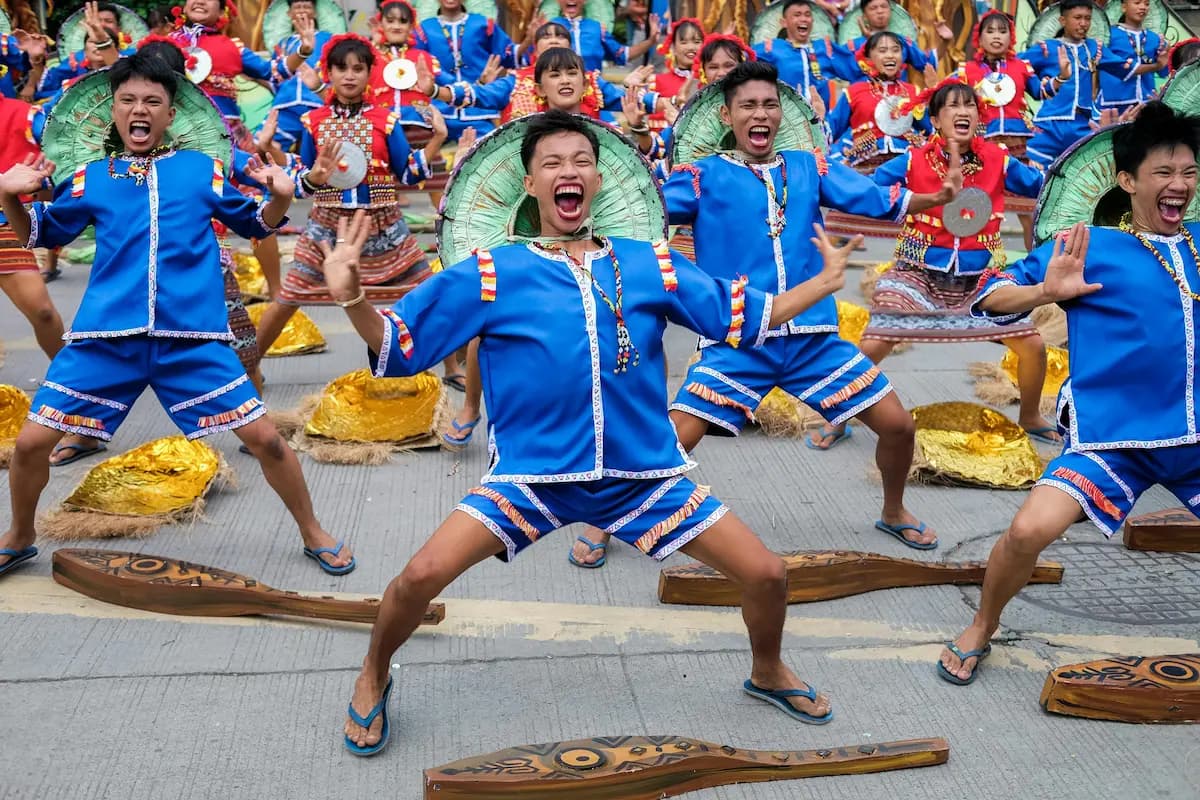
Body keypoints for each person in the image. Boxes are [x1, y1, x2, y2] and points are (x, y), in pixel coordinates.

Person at [331, 108, 871, 755]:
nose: (569, 171)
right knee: (419, 576)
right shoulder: (490, 271)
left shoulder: (650, 264)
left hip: (643, 475)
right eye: (553, 162)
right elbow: (401, 347)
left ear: (598, 180)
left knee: (766, 574)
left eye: (581, 161)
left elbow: (741, 318)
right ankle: (373, 672)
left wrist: (822, 284)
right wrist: (353, 298)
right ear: (529, 183)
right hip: (534, 477)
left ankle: (767, 669)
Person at [567, 61, 960, 568]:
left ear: (780, 114)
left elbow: (872, 199)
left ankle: (893, 509)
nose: (760, 114)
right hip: (738, 340)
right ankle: (603, 520)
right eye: (748, 105)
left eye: (769, 104)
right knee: (671, 440)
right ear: (727, 116)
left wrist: (937, 197)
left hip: (813, 340)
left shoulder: (809, 167)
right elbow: (646, 212)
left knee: (898, 426)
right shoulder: (703, 176)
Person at [0, 51, 354, 579]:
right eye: (127, 100)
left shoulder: (201, 170)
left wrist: (282, 198)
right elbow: (38, 233)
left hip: (192, 340)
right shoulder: (92, 178)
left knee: (266, 440)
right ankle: (20, 534)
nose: (138, 109)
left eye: (152, 101)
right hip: (105, 339)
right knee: (30, 444)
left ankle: (312, 531)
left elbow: (257, 223)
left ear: (169, 114)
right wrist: (8, 196)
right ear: (114, 111)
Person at [938, 101, 1200, 684]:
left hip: (1196, 439)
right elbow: (989, 297)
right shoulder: (1088, 245)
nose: (1179, 184)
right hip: (1113, 440)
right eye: (1163, 172)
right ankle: (982, 624)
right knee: (1027, 530)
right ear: (1128, 180)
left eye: (1188, 172)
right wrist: (1045, 293)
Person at [822, 80, 1057, 447]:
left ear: (978, 116)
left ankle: (1029, 416)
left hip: (980, 282)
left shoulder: (998, 160)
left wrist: (1082, 178)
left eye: (970, 105)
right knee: (876, 341)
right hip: (917, 276)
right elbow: (867, 190)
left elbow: (1044, 187)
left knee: (1033, 345)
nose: (963, 112)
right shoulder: (912, 160)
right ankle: (838, 416)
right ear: (934, 119)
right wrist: (821, 168)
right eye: (953, 106)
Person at [253, 35, 446, 355]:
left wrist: (438, 138)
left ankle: (453, 369)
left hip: (384, 227)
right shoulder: (313, 122)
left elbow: (408, 173)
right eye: (341, 68)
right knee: (287, 298)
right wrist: (270, 148)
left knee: (428, 296)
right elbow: (304, 177)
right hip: (326, 229)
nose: (350, 76)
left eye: (358, 69)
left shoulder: (386, 121)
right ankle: (248, 368)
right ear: (328, 73)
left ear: (370, 73)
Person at [824, 31, 930, 170]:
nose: (890, 55)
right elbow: (829, 133)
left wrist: (934, 96)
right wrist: (818, 119)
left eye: (895, 50)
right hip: (864, 169)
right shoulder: (854, 92)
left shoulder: (912, 92)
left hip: (905, 167)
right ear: (869, 57)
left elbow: (930, 131)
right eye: (882, 50)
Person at [1018, 0, 1101, 168]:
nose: (1083, 23)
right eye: (1077, 17)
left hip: (1082, 125)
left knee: (1087, 171)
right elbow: (1017, 64)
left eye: (1087, 18)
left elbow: (1121, 65)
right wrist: (1037, 86)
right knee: (1027, 163)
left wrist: (1154, 64)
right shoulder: (1047, 48)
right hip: (1050, 123)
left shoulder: (1094, 48)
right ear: (1063, 20)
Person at [419, 0, 518, 139]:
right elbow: (418, 63)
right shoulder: (424, 29)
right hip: (439, 111)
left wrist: (530, 40)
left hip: (479, 112)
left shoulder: (483, 24)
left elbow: (510, 54)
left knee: (490, 147)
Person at [753, 0, 837, 109]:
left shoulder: (824, 48)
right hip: (785, 116)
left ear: (813, 20)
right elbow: (741, 59)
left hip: (821, 117)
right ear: (784, 22)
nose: (803, 19)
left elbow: (853, 62)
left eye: (807, 15)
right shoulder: (772, 48)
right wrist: (730, 42)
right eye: (797, 15)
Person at [830, 0, 939, 81]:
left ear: (890, 11)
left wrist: (944, 41)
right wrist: (869, 43)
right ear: (864, 16)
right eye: (873, 8)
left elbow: (927, 62)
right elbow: (834, 66)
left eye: (884, 6)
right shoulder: (853, 46)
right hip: (864, 100)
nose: (880, 11)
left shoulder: (902, 42)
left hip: (898, 100)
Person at [1098, 0, 1169, 116]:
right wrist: (1158, 65)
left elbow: (1163, 72)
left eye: (1146, 4)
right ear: (1124, 7)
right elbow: (1116, 67)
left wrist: (1165, 54)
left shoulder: (1154, 38)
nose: (1143, 7)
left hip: (1146, 103)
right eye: (1137, 3)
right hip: (1113, 103)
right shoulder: (1109, 36)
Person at [550, 0, 659, 72]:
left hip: (593, 90)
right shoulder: (549, 27)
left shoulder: (597, 28)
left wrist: (651, 41)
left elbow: (623, 55)